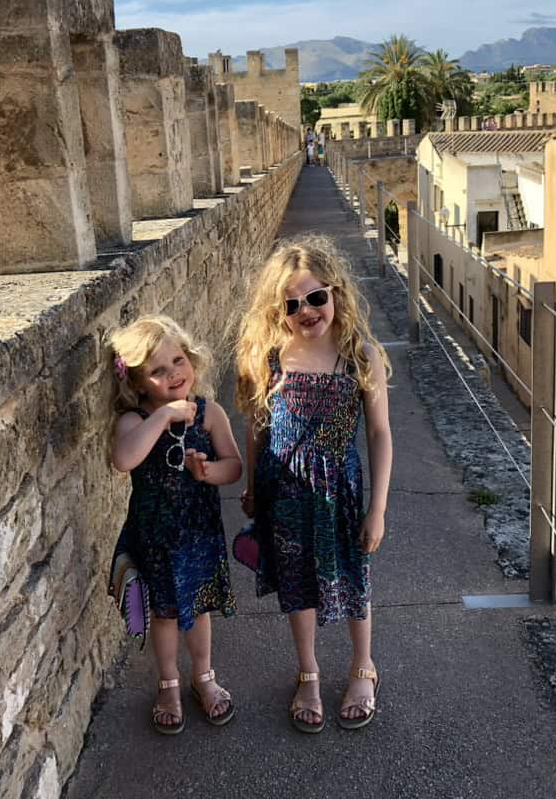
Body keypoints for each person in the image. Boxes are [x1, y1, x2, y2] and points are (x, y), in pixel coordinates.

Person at [235, 236, 392, 732]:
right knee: (298, 583)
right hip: (283, 494)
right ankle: (308, 670)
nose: (307, 311)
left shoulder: (360, 355)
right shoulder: (270, 358)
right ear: (278, 311)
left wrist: (378, 510)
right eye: (292, 304)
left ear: (337, 292)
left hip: (338, 492)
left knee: (351, 578)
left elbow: (380, 433)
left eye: (316, 297)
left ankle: (363, 665)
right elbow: (257, 424)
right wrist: (254, 489)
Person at [110, 315, 242, 735]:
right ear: (136, 381)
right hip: (157, 540)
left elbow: (234, 466)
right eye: (157, 370)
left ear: (193, 361)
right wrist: (163, 416)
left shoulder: (209, 414)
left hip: (199, 534)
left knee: (200, 610)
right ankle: (167, 684)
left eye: (178, 361)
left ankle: (203, 676)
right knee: (164, 616)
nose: (173, 375)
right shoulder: (134, 422)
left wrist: (208, 474)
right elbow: (124, 459)